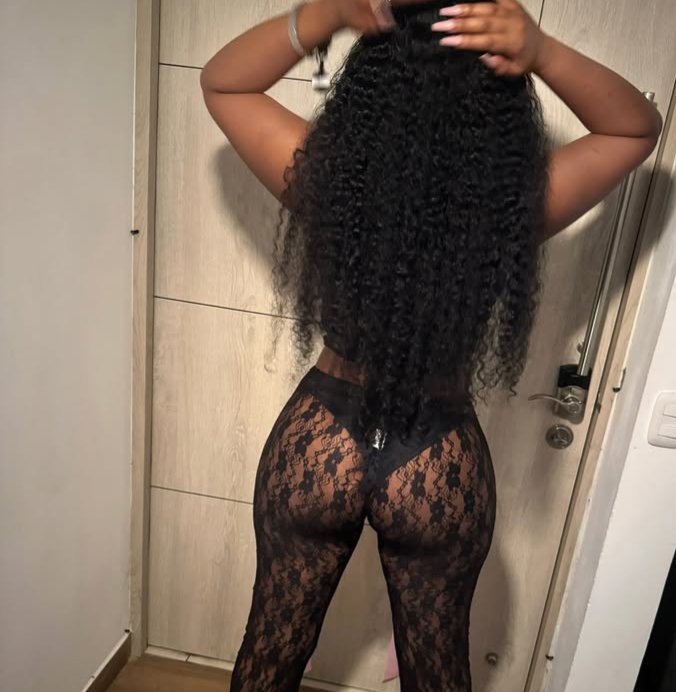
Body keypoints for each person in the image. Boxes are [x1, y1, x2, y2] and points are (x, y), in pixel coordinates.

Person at [199, 0, 662, 689]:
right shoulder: (512, 206)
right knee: (437, 673)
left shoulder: (327, 177)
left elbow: (223, 82)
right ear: (498, 110)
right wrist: (540, 51)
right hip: (438, 453)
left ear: (367, 91)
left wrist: (325, 15)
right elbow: (635, 127)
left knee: (270, 655)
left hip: (320, 438)